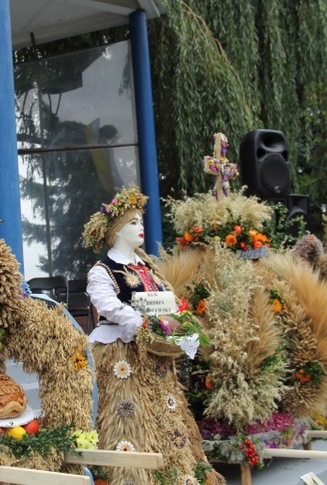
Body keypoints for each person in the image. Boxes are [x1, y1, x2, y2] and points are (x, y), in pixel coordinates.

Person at [82, 186, 224, 484]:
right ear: (117, 231)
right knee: (127, 417)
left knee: (166, 414)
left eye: (140, 221)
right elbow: (107, 304)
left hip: (156, 355)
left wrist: (179, 325)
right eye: (133, 223)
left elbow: (169, 300)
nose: (140, 227)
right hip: (122, 352)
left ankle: (175, 472)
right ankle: (130, 475)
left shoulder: (148, 267)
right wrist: (140, 324)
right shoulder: (102, 270)